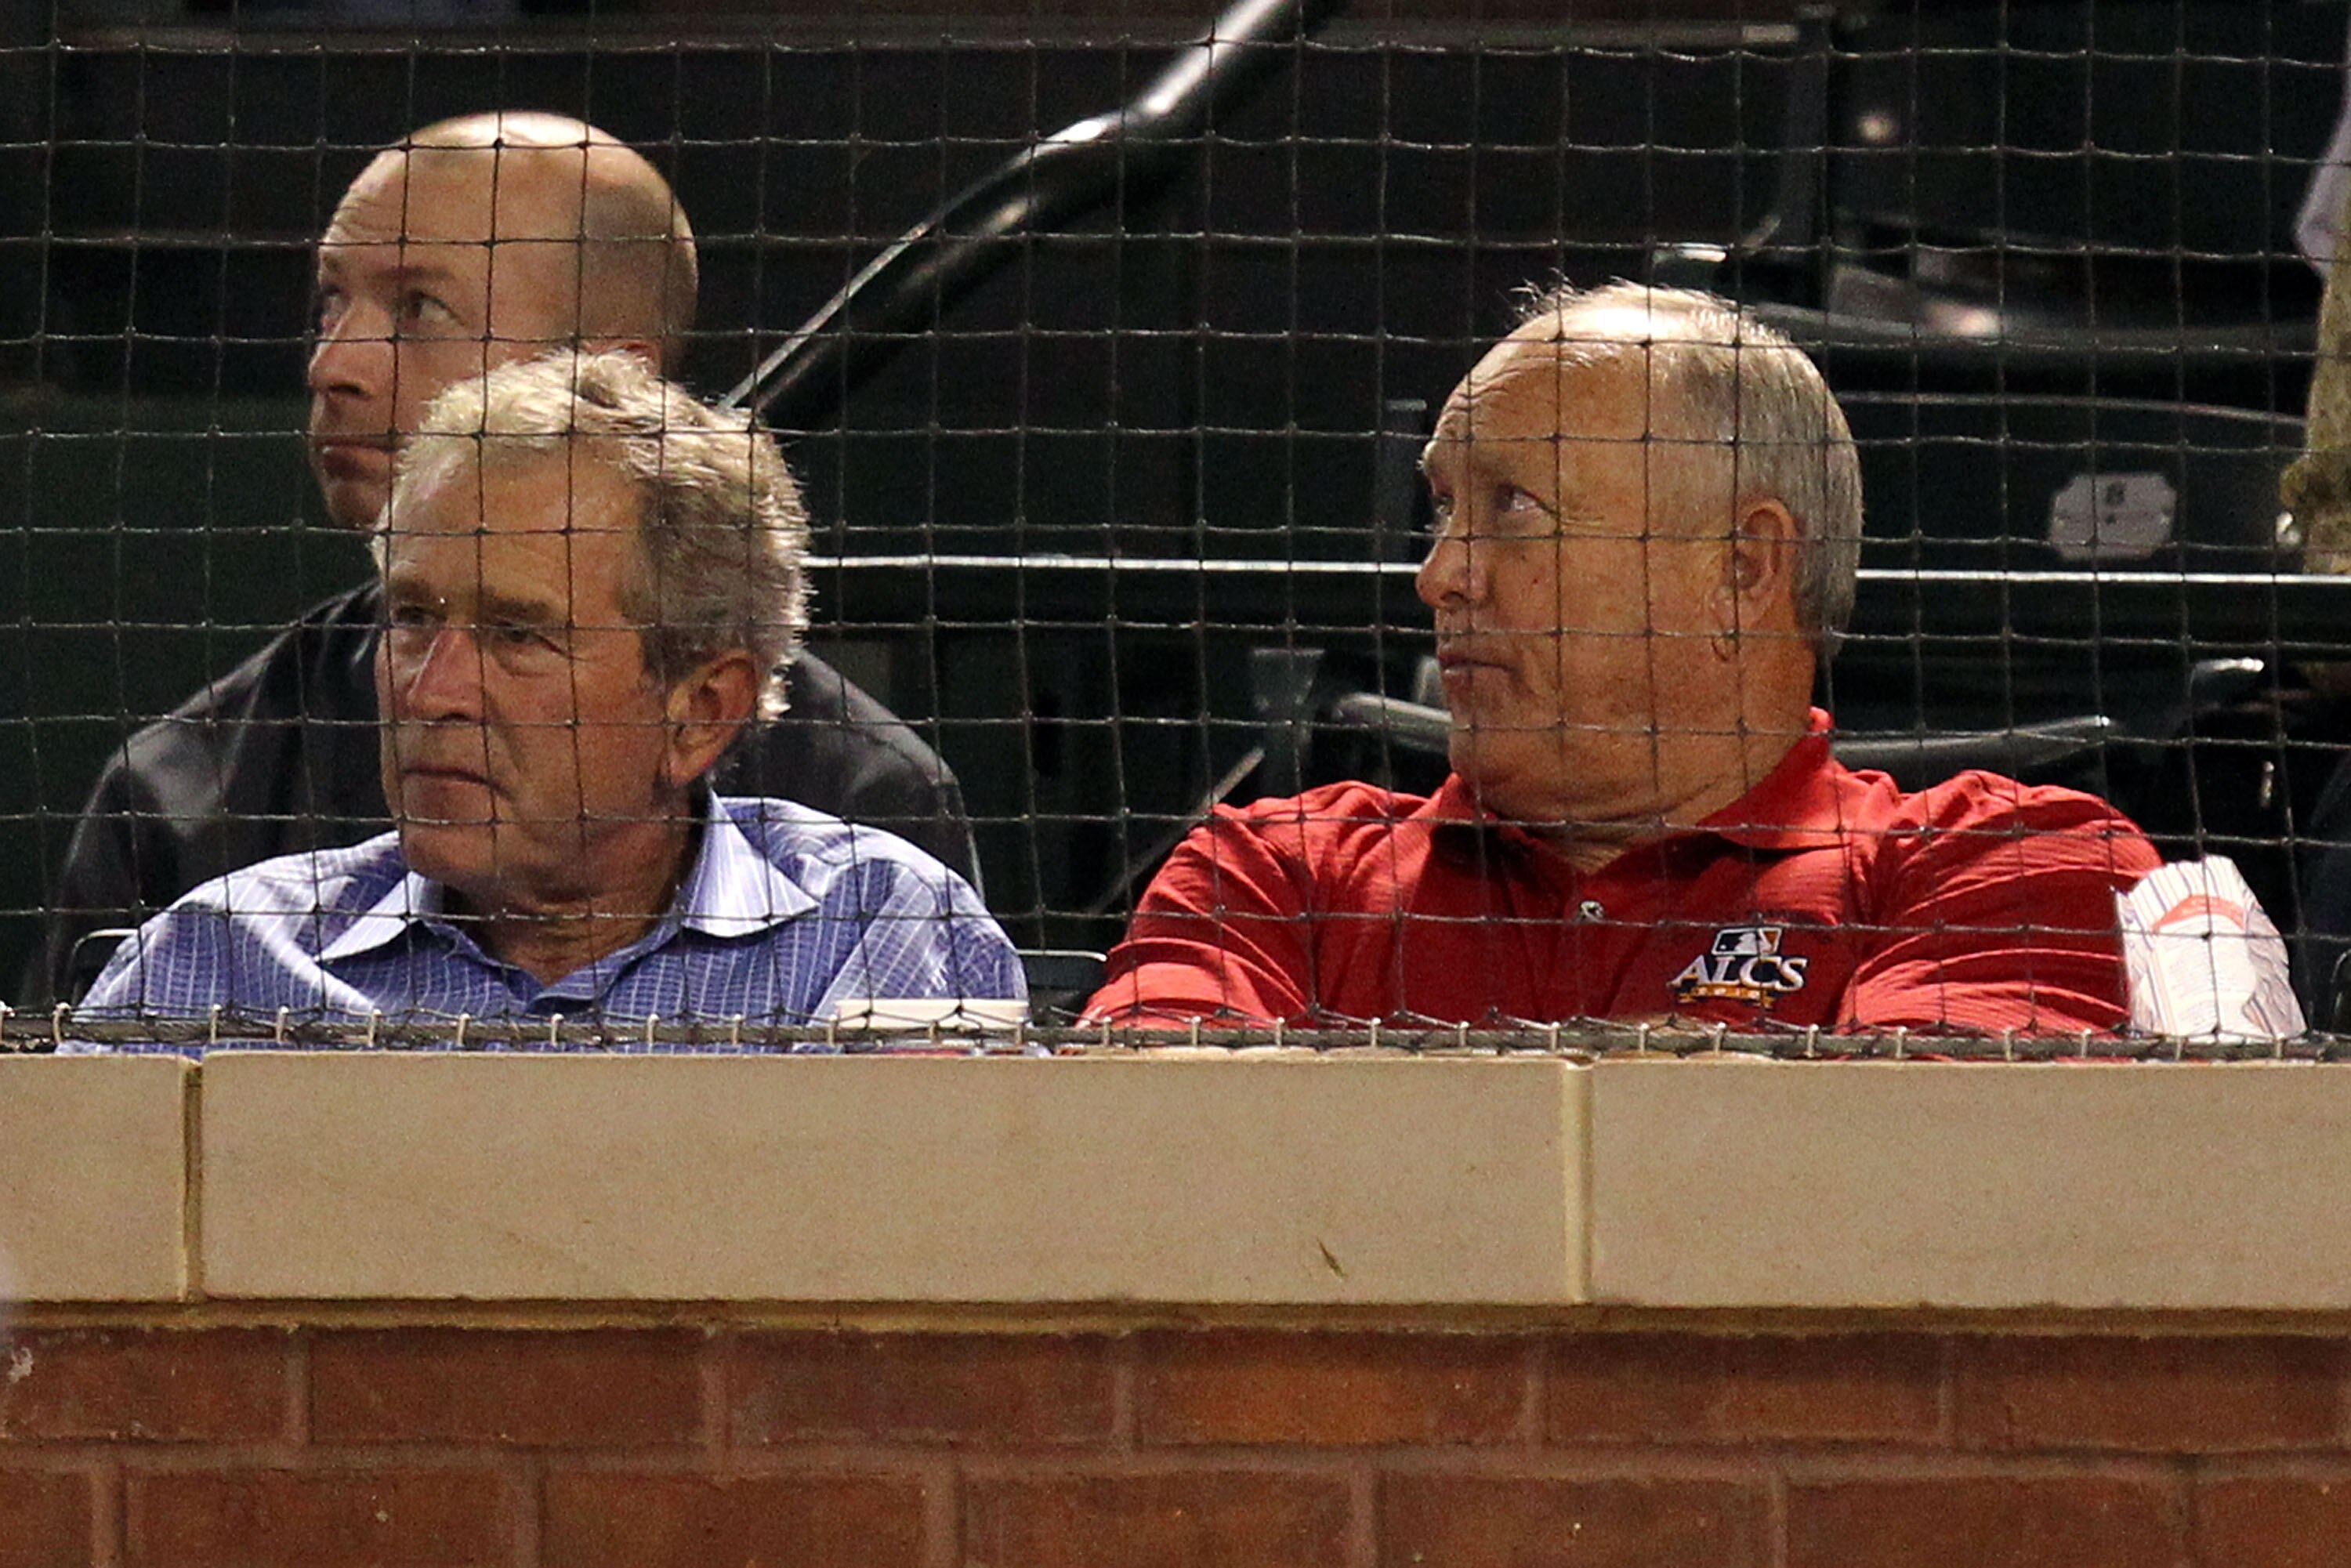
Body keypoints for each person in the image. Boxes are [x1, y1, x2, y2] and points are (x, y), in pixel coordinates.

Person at [25, 112, 978, 1005]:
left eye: (420, 309)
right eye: (330, 304)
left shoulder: (866, 836)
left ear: (613, 377)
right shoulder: (186, 813)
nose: (335, 366)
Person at [1084, 282, 2162, 1034]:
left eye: (1516, 507)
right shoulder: (1274, 874)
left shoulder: (2019, 867)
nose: (1441, 575)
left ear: (1743, 565)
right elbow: (1165, 1165)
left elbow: (1884, 1195)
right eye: (1445, 509)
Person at [82, 350, 1020, 1024]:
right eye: (410, 618)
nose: (432, 690)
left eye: (519, 635)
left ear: (699, 712)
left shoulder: (873, 939)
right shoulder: (221, 965)